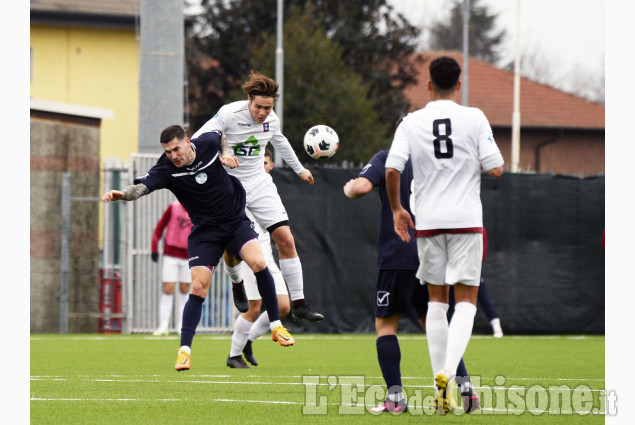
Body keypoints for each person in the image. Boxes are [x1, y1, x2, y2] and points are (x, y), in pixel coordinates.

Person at [102, 124, 295, 373]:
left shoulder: (206, 142)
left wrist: (225, 152)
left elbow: (220, 135)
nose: (173, 155)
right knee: (197, 287)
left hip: (235, 221)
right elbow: (141, 188)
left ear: (187, 141)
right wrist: (123, 195)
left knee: (259, 263)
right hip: (205, 232)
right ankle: (184, 352)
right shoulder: (166, 168)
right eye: (168, 151)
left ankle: (277, 326)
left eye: (176, 149)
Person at [385, 56, 504, 415]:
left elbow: (393, 168)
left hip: (430, 221)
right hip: (466, 220)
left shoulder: (412, 121)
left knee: (436, 302)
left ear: (428, 85)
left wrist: (397, 210)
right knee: (466, 300)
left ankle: (443, 390)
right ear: (460, 84)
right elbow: (496, 168)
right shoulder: (476, 117)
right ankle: (448, 372)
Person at [344, 150, 480, 414]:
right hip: (433, 252)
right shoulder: (436, 160)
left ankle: (395, 397)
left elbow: (360, 187)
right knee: (435, 323)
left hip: (398, 253)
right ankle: (466, 389)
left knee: (385, 325)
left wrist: (349, 188)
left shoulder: (386, 158)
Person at [192, 70, 323, 323]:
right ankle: (236, 282)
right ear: (249, 99)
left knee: (286, 239)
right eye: (259, 106)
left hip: (259, 183)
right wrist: (223, 152)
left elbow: (281, 142)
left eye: (268, 107)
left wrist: (301, 170)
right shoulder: (229, 113)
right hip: (229, 186)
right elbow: (199, 139)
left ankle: (299, 303)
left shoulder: (271, 119)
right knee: (232, 250)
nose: (263, 112)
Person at [227, 150, 291, 369]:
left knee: (283, 306)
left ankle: (248, 340)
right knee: (253, 307)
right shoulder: (239, 185)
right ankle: (234, 355)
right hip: (249, 252)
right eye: (257, 161)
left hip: (267, 254)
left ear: (271, 165)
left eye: (264, 162)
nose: (260, 165)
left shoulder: (268, 189)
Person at [151, 201, 193, 336]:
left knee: (185, 288)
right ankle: (164, 325)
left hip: (188, 255)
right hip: (171, 253)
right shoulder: (173, 207)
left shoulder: (197, 208)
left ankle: (182, 325)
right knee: (168, 288)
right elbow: (160, 226)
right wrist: (154, 248)